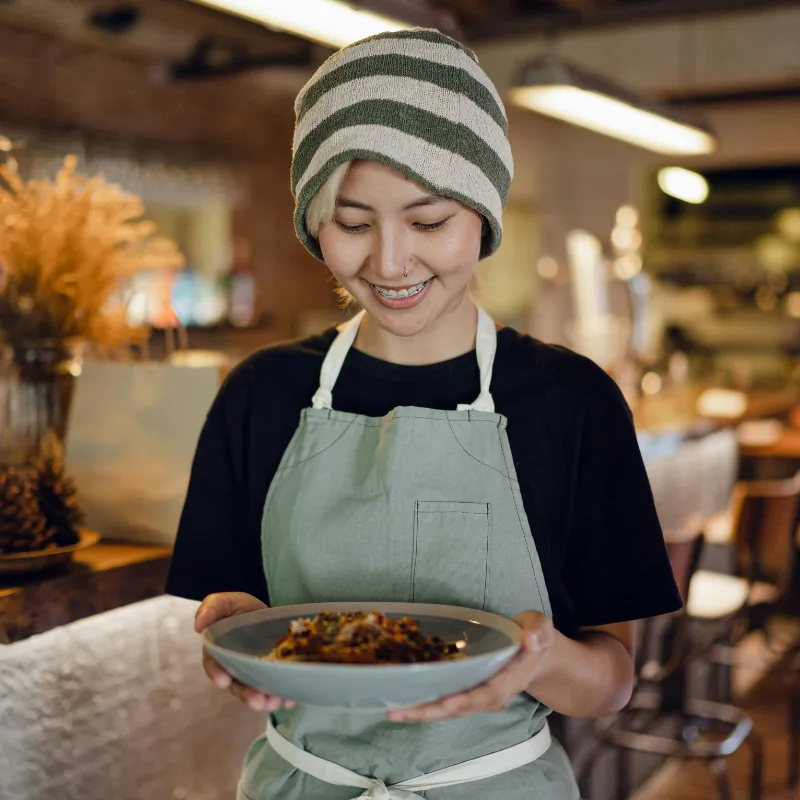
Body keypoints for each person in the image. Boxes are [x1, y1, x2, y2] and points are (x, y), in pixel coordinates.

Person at [166, 28, 682, 800]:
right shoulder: (261, 395)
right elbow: (241, 622)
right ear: (315, 222)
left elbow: (611, 683)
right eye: (352, 221)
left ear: (482, 214)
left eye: (429, 220)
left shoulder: (571, 402)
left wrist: (541, 662)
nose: (391, 259)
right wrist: (232, 633)